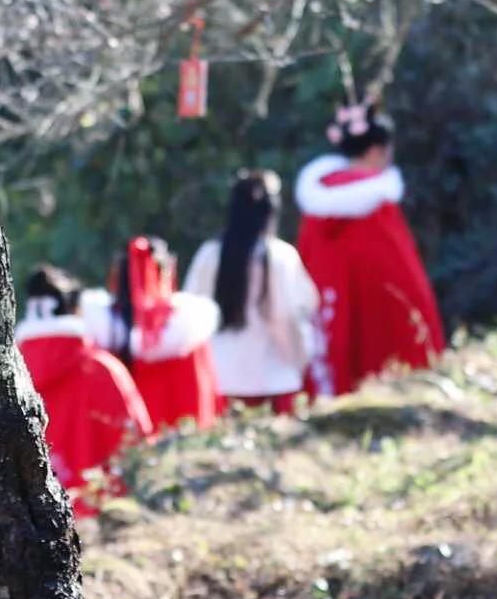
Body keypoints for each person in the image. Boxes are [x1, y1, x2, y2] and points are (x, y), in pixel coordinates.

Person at [293, 106, 447, 398]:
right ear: (376, 150)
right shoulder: (377, 199)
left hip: (323, 303)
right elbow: (402, 277)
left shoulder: (317, 200)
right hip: (377, 315)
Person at [184, 169, 320, 415]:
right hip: (274, 374)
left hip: (221, 376)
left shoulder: (210, 254)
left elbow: (192, 313)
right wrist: (298, 358)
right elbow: (289, 313)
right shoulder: (281, 255)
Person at [15, 265, 150, 512]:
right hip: (100, 515)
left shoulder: (9, 376)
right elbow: (136, 444)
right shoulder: (103, 367)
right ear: (77, 310)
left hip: (31, 522)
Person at [92, 234, 222, 434]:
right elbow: (204, 403)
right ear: (165, 273)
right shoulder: (188, 333)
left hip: (127, 452)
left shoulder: (100, 338)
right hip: (177, 448)